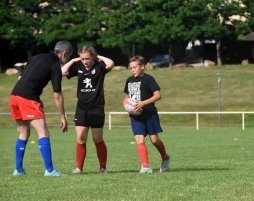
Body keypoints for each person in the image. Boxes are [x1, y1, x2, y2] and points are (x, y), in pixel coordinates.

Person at [10, 40, 73, 176]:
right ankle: (49, 170)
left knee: (23, 133)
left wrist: (36, 99)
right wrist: (63, 117)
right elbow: (57, 94)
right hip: (28, 98)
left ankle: (19, 170)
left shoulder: (36, 57)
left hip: (14, 96)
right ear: (64, 53)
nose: (68, 59)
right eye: (69, 56)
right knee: (43, 133)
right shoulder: (55, 65)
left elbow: (22, 77)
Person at [61, 45, 114, 174]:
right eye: (82, 58)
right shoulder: (78, 67)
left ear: (93, 57)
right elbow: (62, 72)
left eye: (87, 58)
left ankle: (103, 168)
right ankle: (79, 168)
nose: (85, 61)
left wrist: (98, 57)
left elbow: (111, 63)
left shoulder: (99, 67)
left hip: (96, 108)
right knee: (80, 138)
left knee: (97, 139)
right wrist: (73, 60)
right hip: (81, 109)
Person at [123, 55, 170, 174]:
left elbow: (157, 95)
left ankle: (165, 157)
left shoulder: (148, 79)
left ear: (142, 66)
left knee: (154, 140)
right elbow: (127, 97)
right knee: (139, 139)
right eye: (131, 68)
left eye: (135, 67)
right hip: (136, 116)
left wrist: (143, 103)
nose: (132, 70)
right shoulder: (129, 80)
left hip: (149, 114)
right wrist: (126, 104)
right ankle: (145, 166)